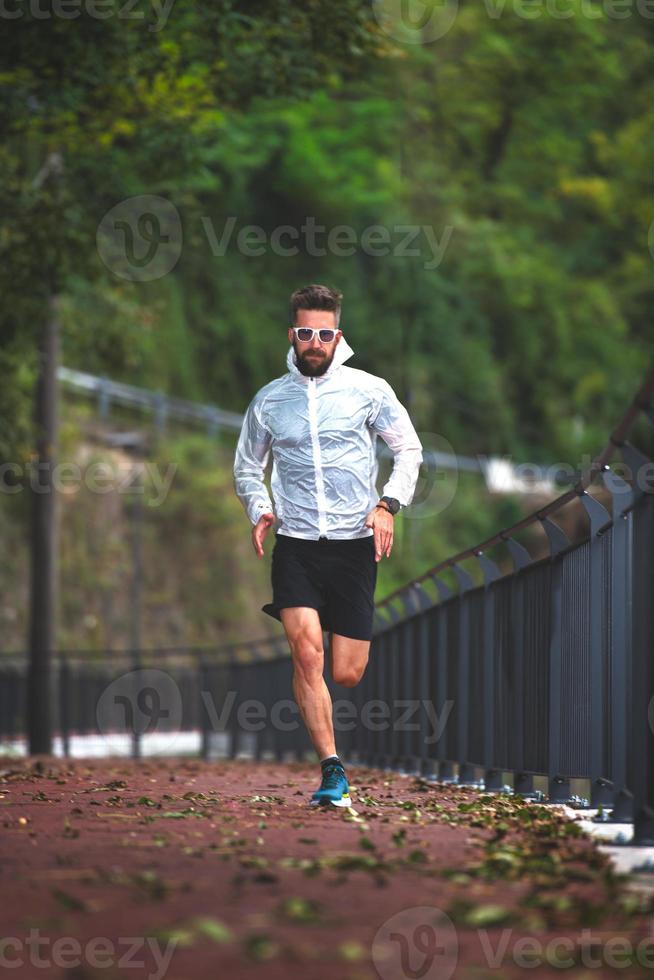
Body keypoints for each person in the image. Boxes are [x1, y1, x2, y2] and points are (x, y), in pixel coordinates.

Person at [233, 284, 423, 806]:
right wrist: (260, 507)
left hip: (354, 545)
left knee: (346, 671)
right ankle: (332, 768)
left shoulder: (369, 389)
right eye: (304, 333)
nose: (313, 342)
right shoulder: (269, 400)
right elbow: (248, 465)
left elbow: (408, 448)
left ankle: (334, 623)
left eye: (323, 333)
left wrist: (388, 505)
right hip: (295, 544)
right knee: (306, 654)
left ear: (337, 335)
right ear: (292, 335)